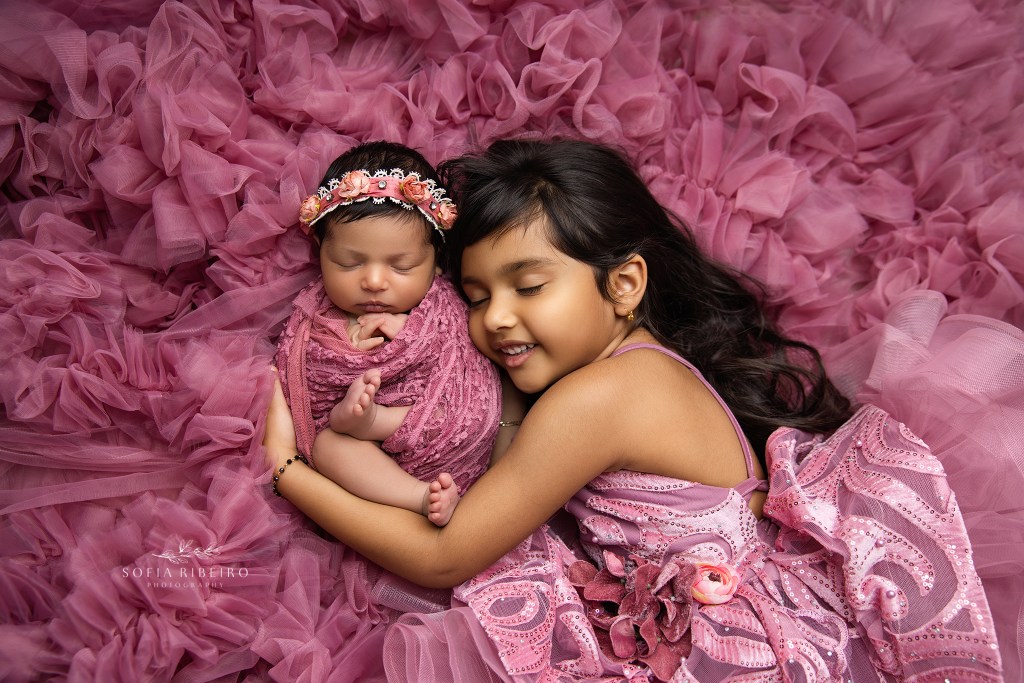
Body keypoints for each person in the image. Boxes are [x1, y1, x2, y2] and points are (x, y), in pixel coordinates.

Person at [264, 138, 1003, 681]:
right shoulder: (640, 372)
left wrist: (295, 470)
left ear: (623, 286)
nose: (493, 321)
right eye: (480, 296)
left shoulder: (603, 398)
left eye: (528, 285)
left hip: (747, 656)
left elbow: (446, 554)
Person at [274, 140, 506, 527]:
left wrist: (413, 336)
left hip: (450, 444)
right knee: (329, 444)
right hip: (366, 475)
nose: (375, 282)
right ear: (319, 251)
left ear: (436, 260)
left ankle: (374, 422)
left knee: (465, 408)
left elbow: (472, 380)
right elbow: (301, 381)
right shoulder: (311, 319)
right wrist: (348, 349)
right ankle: (416, 496)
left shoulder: (446, 309)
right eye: (349, 263)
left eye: (401, 266)